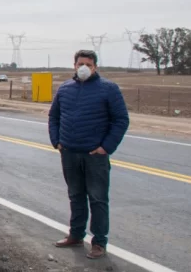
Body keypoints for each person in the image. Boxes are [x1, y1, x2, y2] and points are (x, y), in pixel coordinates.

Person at [49, 49, 129, 259]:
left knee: (97, 199)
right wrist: (57, 141)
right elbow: (54, 116)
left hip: (95, 155)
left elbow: (121, 120)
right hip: (69, 152)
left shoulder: (108, 89)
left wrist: (105, 147)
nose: (84, 67)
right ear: (74, 65)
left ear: (95, 67)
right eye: (80, 63)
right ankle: (75, 234)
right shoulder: (65, 88)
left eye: (88, 64)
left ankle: (99, 242)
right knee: (75, 196)